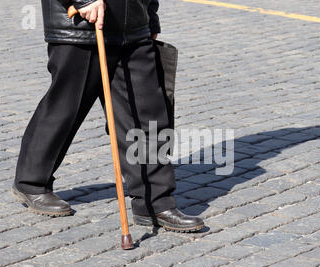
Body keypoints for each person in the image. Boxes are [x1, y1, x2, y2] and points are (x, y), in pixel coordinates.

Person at [12, 0, 204, 232]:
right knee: (65, 109)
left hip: (135, 26)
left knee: (148, 115)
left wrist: (150, 16)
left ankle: (154, 201)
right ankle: (31, 183)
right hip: (82, 24)